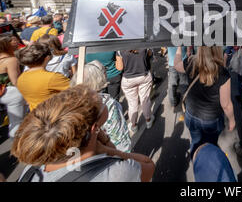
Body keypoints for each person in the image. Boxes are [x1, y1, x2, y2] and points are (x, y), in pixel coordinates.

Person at [12, 85, 155, 182]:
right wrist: (106, 147)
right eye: (101, 102)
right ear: (94, 129)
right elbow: (148, 165)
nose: (103, 100)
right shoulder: (116, 173)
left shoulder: (30, 171)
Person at [174, 46, 235, 157]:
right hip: (211, 120)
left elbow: (176, 65)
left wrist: (178, 47)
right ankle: (208, 167)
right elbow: (226, 104)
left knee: (195, 143)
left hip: (191, 115)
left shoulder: (190, 61)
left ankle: (197, 163)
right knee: (210, 147)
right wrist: (232, 120)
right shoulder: (223, 73)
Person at [71, 61, 131, 152]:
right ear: (98, 78)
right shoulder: (107, 103)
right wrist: (125, 157)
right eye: (103, 72)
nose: (105, 74)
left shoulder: (71, 102)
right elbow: (119, 137)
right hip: (110, 153)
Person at [15, 42, 70, 111]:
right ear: (47, 58)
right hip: (55, 114)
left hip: (35, 115)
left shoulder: (21, 78)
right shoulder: (53, 78)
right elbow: (78, 92)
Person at [116, 49, 155, 135]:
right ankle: (148, 120)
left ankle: (134, 125)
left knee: (132, 103)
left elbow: (119, 68)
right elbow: (150, 55)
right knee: (145, 100)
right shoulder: (144, 44)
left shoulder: (120, 49)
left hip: (128, 79)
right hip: (144, 76)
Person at [0, 34, 25, 138]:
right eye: (13, 41)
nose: (16, 43)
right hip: (10, 92)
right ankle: (17, 148)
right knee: (16, 122)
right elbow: (15, 81)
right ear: (7, 45)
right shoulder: (11, 60)